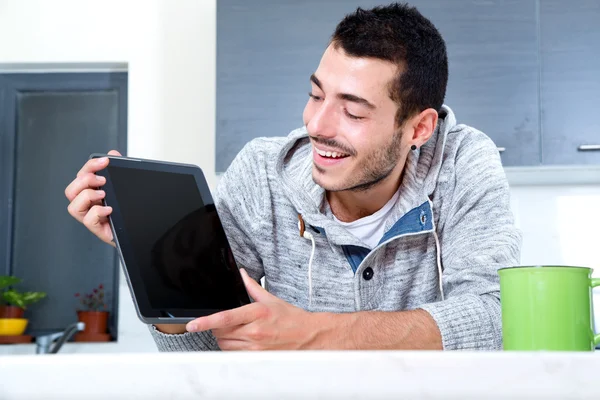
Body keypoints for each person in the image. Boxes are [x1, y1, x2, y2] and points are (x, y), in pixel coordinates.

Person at [65, 2, 521, 351]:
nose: (318, 125)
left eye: (353, 110)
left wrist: (311, 332)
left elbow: (496, 318)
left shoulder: (462, 161)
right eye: (315, 94)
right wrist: (151, 264)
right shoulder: (261, 173)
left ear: (419, 128)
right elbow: (206, 349)